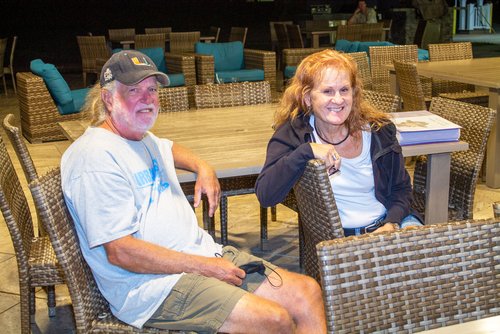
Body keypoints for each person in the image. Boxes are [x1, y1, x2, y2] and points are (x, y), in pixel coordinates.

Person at [60, 50, 326, 333]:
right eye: (134, 90)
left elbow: (169, 147)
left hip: (199, 254)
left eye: (152, 89)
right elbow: (121, 252)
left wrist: (202, 167)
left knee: (307, 292)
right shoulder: (95, 158)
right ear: (108, 98)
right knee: (274, 319)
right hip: (151, 287)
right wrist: (205, 267)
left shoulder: (139, 137)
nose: (147, 98)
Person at [255, 49, 423, 236]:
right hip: (339, 241)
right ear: (307, 98)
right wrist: (306, 151)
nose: (338, 99)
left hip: (386, 226)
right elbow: (266, 195)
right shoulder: (295, 134)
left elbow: (401, 189)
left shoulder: (378, 131)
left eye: (344, 90)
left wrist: (392, 222)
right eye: (327, 91)